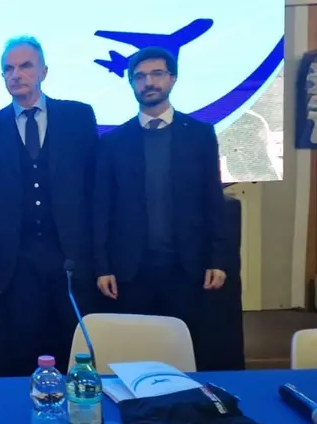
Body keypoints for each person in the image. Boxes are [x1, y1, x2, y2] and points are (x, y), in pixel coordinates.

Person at [93, 46, 228, 369]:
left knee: (181, 354)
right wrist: (102, 266)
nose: (148, 82)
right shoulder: (112, 142)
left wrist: (218, 259)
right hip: (130, 271)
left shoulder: (199, 135)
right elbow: (101, 210)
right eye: (139, 77)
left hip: (186, 267)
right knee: (134, 355)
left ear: (173, 78)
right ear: (131, 83)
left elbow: (212, 199)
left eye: (157, 74)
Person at [0, 37, 99, 375]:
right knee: (24, 351)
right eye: (8, 69)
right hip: (17, 261)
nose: (16, 74)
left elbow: (95, 189)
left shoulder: (78, 117)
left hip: (71, 257)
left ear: (43, 71)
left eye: (25, 66)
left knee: (76, 351)